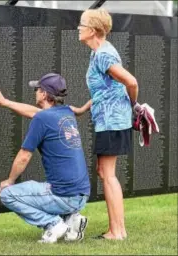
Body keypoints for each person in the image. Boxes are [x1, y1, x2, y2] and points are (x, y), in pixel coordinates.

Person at [0, 73, 90, 243]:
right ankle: (72, 220)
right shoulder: (66, 113)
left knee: (7, 195)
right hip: (82, 196)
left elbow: (24, 157)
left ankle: (53, 224)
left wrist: (9, 181)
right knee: (50, 189)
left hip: (63, 196)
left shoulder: (43, 118)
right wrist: (4, 102)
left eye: (37, 89)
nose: (35, 92)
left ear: (43, 94)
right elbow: (35, 113)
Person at [71, 8, 139, 240]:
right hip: (108, 120)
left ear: (92, 31)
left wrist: (133, 104)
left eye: (81, 25)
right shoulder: (98, 53)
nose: (78, 29)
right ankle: (116, 229)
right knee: (104, 171)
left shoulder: (103, 55)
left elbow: (131, 81)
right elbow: (105, 90)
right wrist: (82, 109)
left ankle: (118, 232)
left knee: (107, 173)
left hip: (112, 121)